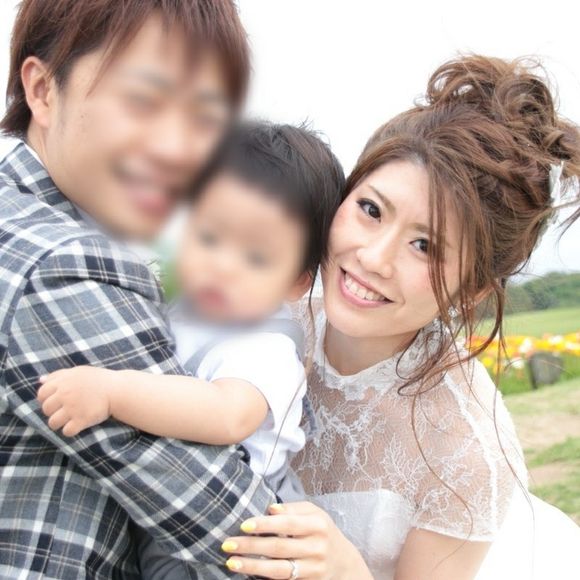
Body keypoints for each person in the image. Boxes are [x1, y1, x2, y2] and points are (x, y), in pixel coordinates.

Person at [216, 56, 580, 579]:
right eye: (371, 210)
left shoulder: (465, 451)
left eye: (424, 245)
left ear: (471, 290)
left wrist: (347, 570)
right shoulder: (265, 315)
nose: (373, 258)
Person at [0, 1, 279, 578]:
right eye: (143, 101)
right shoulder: (59, 263)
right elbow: (233, 528)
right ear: (43, 89)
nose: (178, 150)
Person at [36, 120, 345, 578]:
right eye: (209, 236)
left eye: (256, 257)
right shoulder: (181, 306)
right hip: (171, 514)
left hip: (236, 536)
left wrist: (112, 391)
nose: (222, 265)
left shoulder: (265, 348)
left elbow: (226, 414)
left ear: (297, 281)